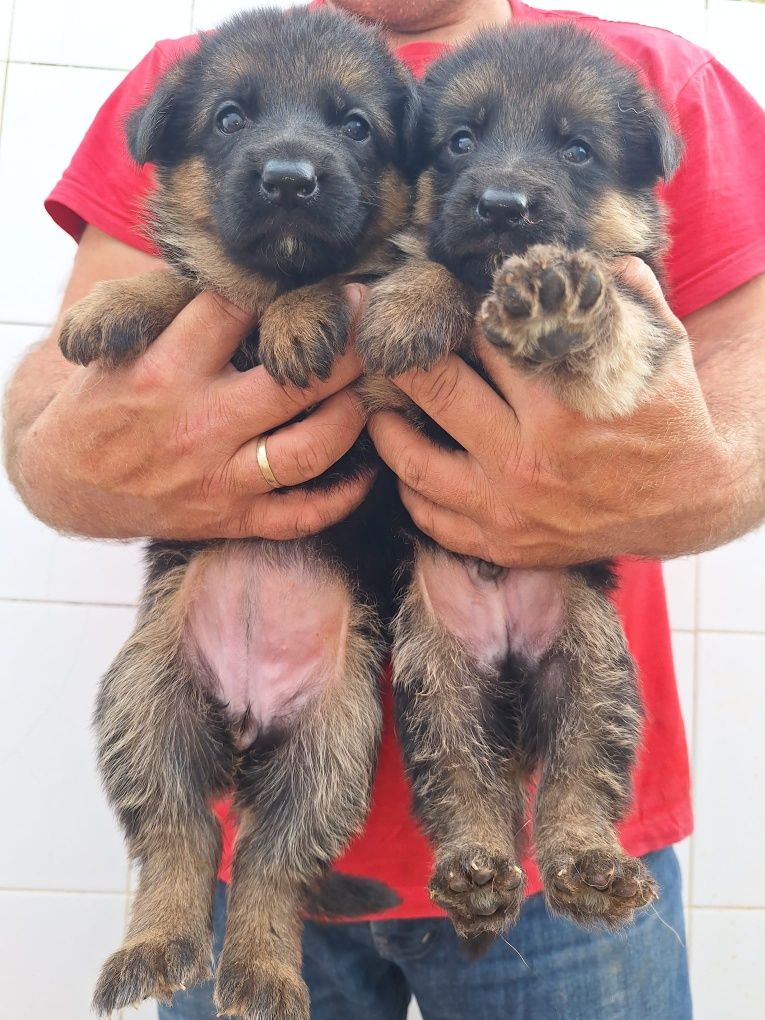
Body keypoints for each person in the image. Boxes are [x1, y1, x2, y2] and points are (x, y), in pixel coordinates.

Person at [4, 0, 764, 1017]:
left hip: (563, 847)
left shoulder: (663, 76)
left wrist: (688, 478)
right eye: (459, 147)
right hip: (249, 830)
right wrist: (86, 451)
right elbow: (54, 431)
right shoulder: (188, 71)